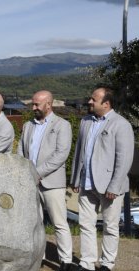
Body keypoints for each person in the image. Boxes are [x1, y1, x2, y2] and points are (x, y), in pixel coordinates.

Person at [71, 86, 134, 271]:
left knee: (110, 226)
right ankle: (87, 263)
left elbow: (124, 158)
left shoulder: (121, 124)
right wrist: (76, 178)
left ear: (106, 104)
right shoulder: (85, 121)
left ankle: (107, 264)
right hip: (86, 183)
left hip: (109, 187)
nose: (89, 102)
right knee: (85, 224)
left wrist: (114, 186)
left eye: (94, 99)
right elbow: (79, 151)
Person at [17, 90, 73, 271]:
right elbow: (21, 151)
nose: (33, 107)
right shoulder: (27, 125)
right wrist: (23, 172)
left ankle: (65, 260)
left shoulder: (62, 125)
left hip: (52, 182)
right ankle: (38, 258)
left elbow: (60, 155)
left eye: (36, 104)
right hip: (30, 182)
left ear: (48, 104)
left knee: (59, 223)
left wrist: (37, 172)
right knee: (34, 224)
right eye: (32, 104)